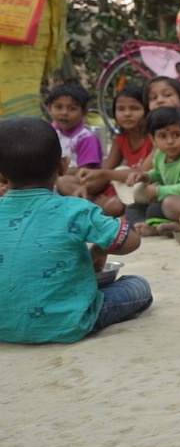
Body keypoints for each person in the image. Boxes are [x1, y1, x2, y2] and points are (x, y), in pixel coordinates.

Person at [0, 117, 152, 344]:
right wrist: (101, 248)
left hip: (4, 326)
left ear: (1, 176)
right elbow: (131, 241)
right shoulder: (75, 209)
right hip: (68, 322)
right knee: (138, 286)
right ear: (63, 166)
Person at [126, 107, 180, 236]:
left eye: (176, 135)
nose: (170, 141)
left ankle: (170, 226)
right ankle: (144, 225)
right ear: (153, 139)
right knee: (133, 208)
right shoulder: (160, 155)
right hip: (167, 198)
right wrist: (145, 176)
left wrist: (157, 191)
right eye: (162, 136)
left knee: (164, 205)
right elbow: (159, 174)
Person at [75, 86, 151, 218]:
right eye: (121, 109)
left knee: (114, 203)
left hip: (143, 187)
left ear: (147, 111)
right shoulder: (121, 139)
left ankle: (97, 208)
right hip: (123, 188)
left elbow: (142, 173)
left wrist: (103, 174)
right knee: (64, 182)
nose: (127, 114)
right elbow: (106, 171)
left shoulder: (154, 138)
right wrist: (86, 187)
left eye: (134, 108)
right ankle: (95, 205)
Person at [47, 84, 103, 198]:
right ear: (49, 108)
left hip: (78, 180)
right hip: (52, 178)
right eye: (58, 107)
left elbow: (84, 171)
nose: (64, 113)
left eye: (72, 108)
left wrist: (51, 173)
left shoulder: (86, 138)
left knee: (63, 182)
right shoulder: (48, 132)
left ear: (84, 112)